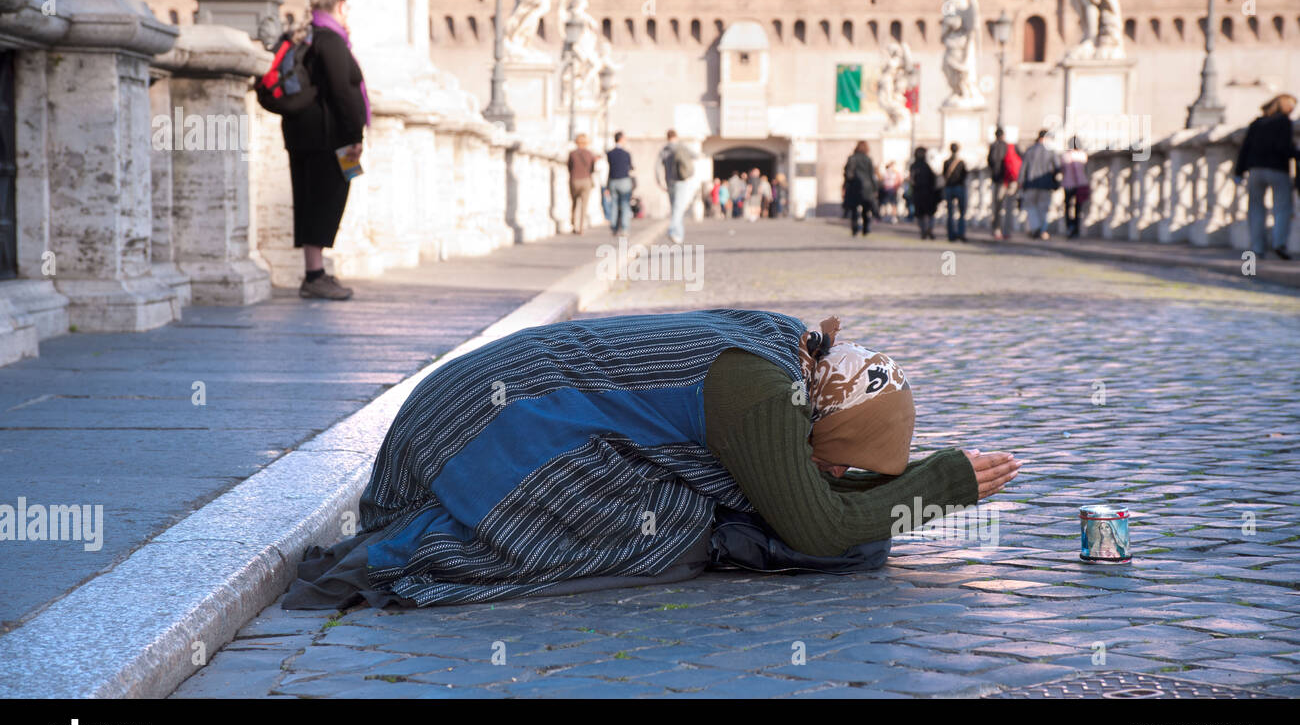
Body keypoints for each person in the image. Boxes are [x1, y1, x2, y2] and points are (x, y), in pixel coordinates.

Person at [283, 310, 1021, 609]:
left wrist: (883, 487)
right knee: (673, 529)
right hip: (495, 422)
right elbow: (819, 526)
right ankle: (398, 551)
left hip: (468, 404)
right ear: (823, 433)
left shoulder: (795, 351)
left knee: (727, 505)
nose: (833, 475)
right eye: (838, 466)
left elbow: (820, 496)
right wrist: (940, 484)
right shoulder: (767, 401)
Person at [281, 0, 369, 301]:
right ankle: (314, 275)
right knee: (324, 201)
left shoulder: (309, 35)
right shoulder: (330, 41)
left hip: (307, 136)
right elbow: (342, 92)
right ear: (340, 6)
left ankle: (314, 272)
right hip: (328, 139)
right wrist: (355, 136)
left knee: (313, 202)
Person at [1235, 93, 1298, 260]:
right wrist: (1296, 153)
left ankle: (1257, 247)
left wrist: (1238, 171)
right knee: (1282, 207)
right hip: (1277, 169)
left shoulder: (1257, 123)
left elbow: (1245, 148)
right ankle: (1279, 243)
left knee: (1255, 208)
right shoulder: (1284, 122)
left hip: (1255, 170)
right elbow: (1283, 147)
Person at [1018, 129, 1060, 239]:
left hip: (1031, 184)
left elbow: (1023, 168)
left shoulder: (1030, 150)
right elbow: (1058, 167)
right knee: (1044, 208)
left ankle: (1035, 227)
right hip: (1046, 184)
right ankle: (1041, 230)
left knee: (1030, 207)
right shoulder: (1051, 151)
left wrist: (1020, 182)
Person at [657, 129, 695, 244]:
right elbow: (695, 155)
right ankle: (673, 230)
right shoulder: (682, 147)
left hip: (669, 181)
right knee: (679, 208)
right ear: (676, 136)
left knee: (675, 208)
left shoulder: (665, 150)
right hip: (681, 181)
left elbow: (657, 166)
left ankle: (679, 235)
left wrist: (660, 182)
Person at [843, 141, 878, 238]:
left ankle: (855, 228)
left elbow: (847, 173)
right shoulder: (868, 159)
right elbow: (872, 175)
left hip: (854, 186)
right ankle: (866, 228)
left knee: (854, 209)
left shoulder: (852, 158)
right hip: (867, 187)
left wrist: (846, 184)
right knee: (866, 209)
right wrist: (875, 189)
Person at [606, 130, 634, 236]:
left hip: (613, 181)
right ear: (621, 139)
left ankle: (613, 227)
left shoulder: (609, 153)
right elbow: (631, 167)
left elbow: (610, 168)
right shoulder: (626, 153)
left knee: (614, 204)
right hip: (624, 181)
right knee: (625, 204)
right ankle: (625, 228)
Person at [1061, 139, 1091, 239]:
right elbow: (1085, 169)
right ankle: (1076, 229)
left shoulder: (1065, 155)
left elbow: (1062, 170)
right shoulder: (1083, 155)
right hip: (1080, 184)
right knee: (1078, 208)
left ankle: (1069, 226)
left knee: (1068, 207)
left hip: (1068, 184)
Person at [567, 132, 597, 234]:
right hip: (586, 181)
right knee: (584, 205)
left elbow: (569, 167)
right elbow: (592, 169)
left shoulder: (572, 153)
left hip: (574, 180)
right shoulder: (590, 154)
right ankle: (581, 228)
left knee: (574, 203)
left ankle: (573, 224)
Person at [909, 147, 940, 240]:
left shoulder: (914, 166)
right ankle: (929, 229)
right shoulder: (928, 165)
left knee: (920, 213)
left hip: (918, 192)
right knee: (929, 213)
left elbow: (911, 180)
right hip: (928, 192)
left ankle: (924, 230)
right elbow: (934, 178)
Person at [941, 143, 969, 243]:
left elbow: (944, 174)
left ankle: (951, 234)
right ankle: (961, 233)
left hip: (949, 188)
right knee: (962, 212)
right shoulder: (961, 163)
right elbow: (965, 175)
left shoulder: (946, 162)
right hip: (959, 187)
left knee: (950, 212)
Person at [987, 129, 1011, 239]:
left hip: (997, 179)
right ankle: (1006, 230)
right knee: (1008, 206)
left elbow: (990, 161)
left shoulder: (993, 146)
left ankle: (996, 229)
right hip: (1008, 179)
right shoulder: (1008, 146)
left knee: (997, 206)